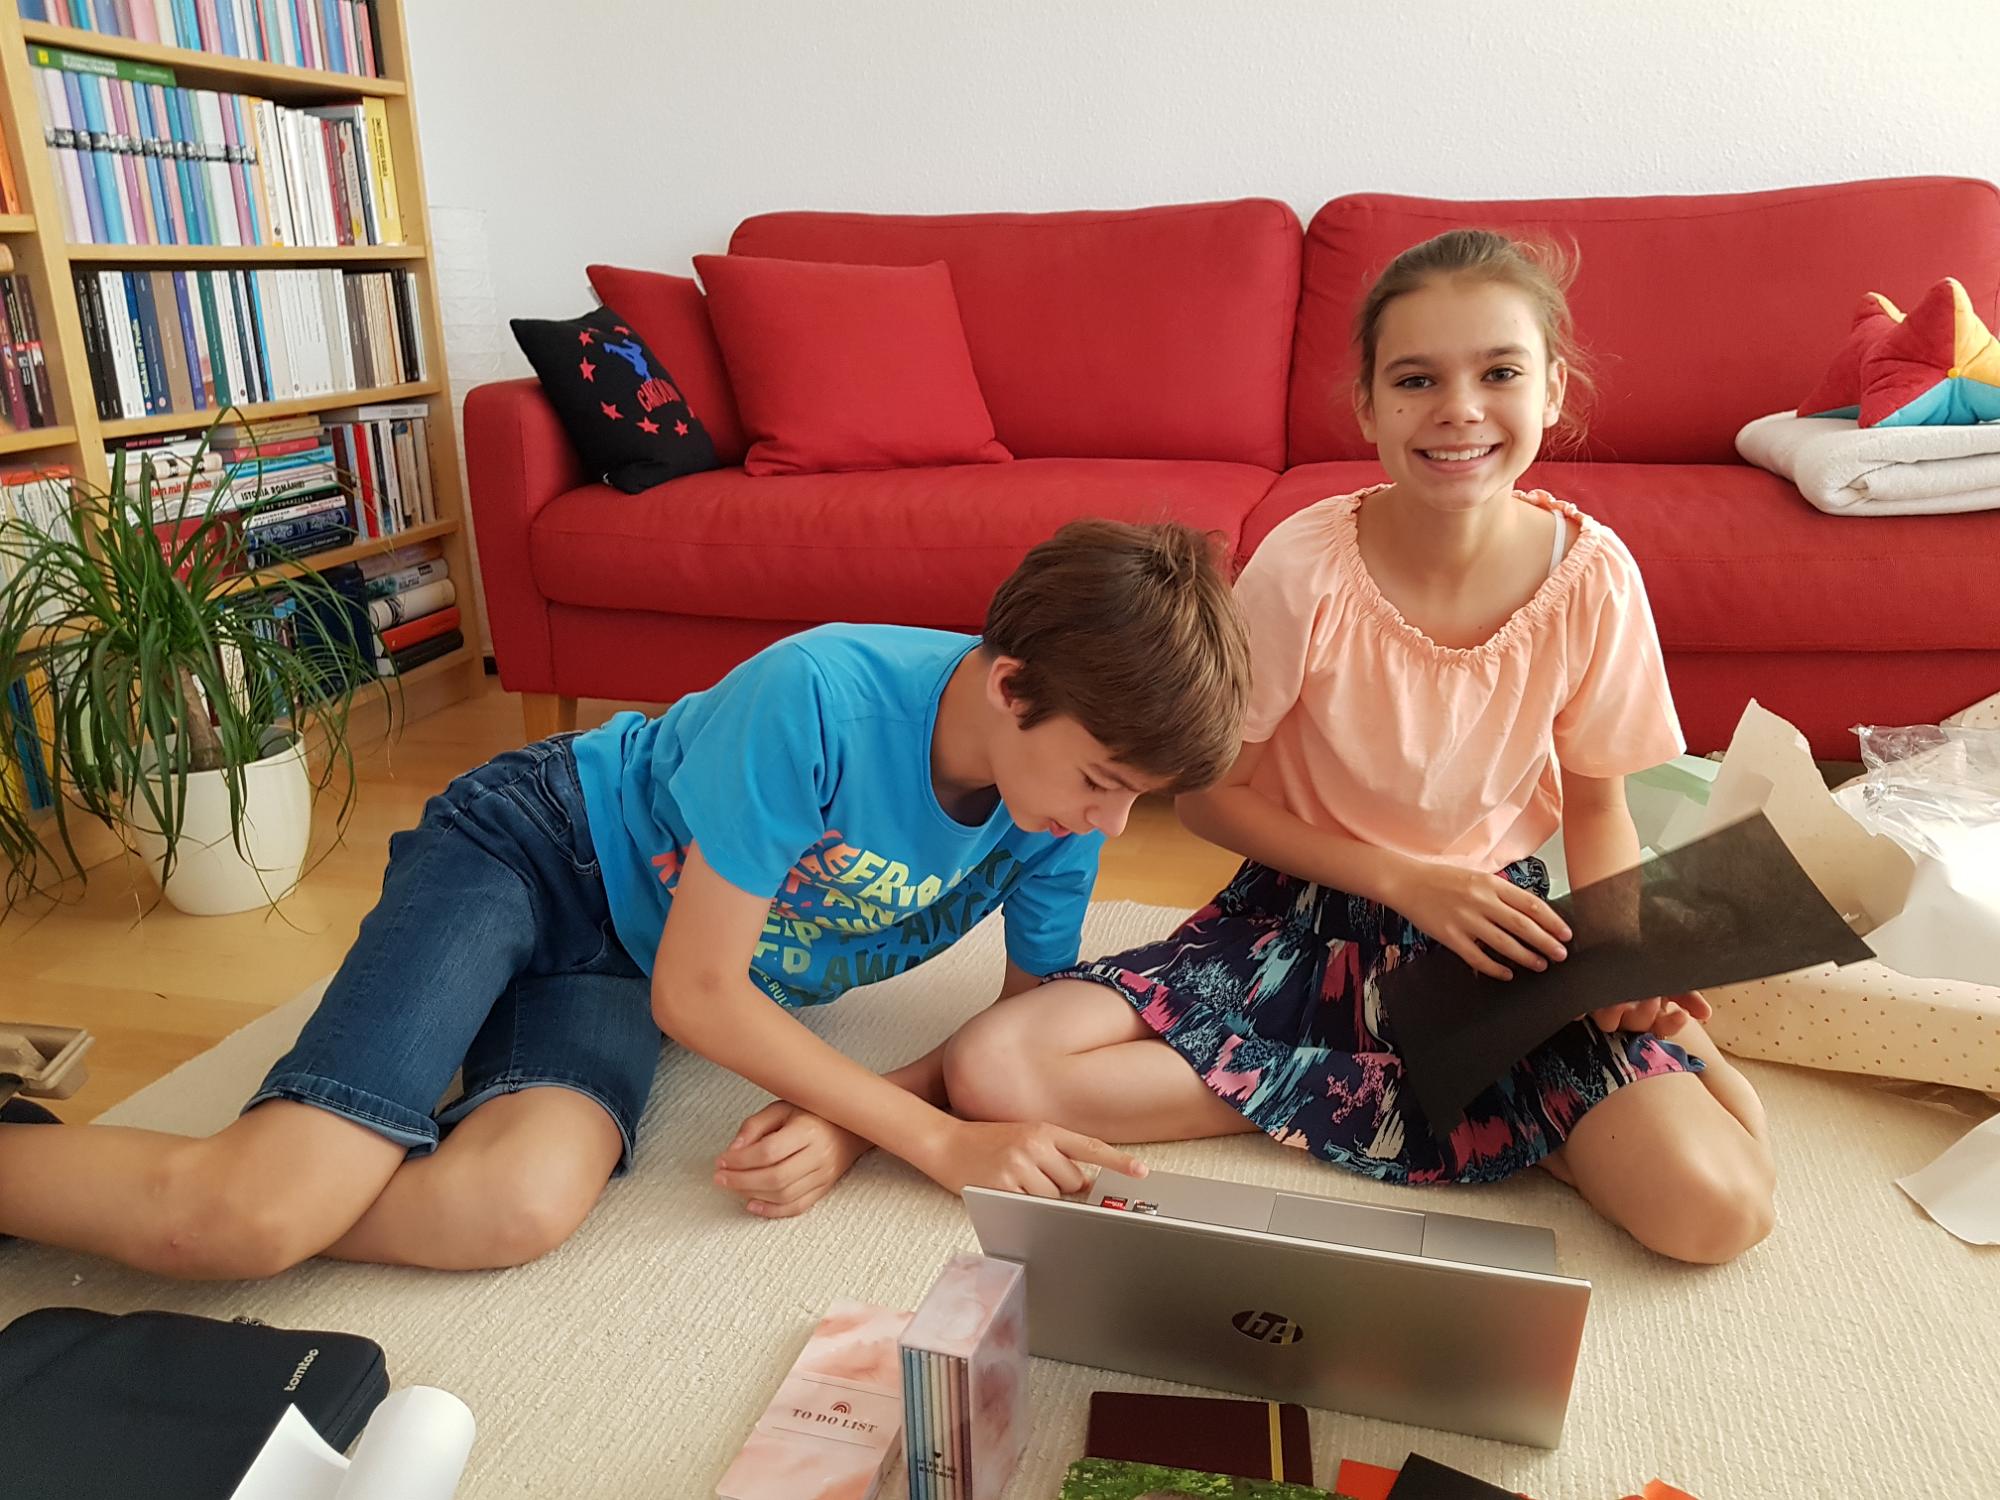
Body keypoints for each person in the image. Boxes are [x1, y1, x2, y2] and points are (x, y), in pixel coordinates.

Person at [0, 518, 1249, 1277]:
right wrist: (930, 1139)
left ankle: (304, 1171)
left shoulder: (1054, 815)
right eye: (1100, 782)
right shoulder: (820, 695)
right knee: (248, 1221)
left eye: (1132, 798)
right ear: (1010, 686)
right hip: (536, 849)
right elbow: (701, 995)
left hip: (621, 961)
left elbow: (1012, 1028)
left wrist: (856, 1124)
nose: (1109, 827)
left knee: (510, 1209)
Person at [938, 230, 1776, 1265]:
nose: (1459, 409)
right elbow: (1209, 797)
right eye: (1416, 379)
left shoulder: (1594, 577)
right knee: (996, 1070)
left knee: (1716, 1212)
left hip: (1492, 946)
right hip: (1295, 922)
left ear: (1553, 389)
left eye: (1499, 373)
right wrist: (1402, 880)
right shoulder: (1305, 562)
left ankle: (1394, 1085)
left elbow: (1599, 808)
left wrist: (1618, 962)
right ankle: (1449, 1103)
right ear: (1368, 406)